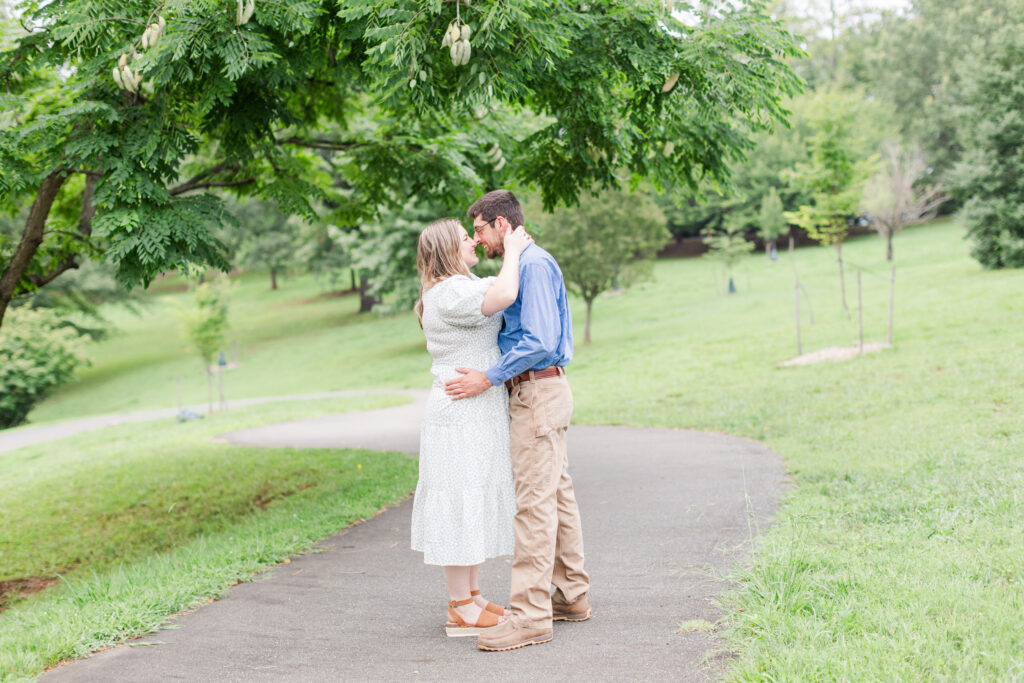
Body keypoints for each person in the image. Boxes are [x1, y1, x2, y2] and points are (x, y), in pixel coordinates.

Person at [445, 190, 591, 652]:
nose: (477, 238)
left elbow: (541, 339)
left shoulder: (533, 265)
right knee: (556, 496)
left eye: (480, 229)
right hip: (539, 392)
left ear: (501, 226)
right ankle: (571, 595)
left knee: (533, 506)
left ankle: (529, 616)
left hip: (537, 391)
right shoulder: (521, 264)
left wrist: (489, 377)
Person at [411, 218, 533, 637]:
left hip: (473, 409)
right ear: (448, 248)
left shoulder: (456, 287)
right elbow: (506, 292)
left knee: (473, 497)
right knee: (461, 499)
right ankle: (460, 605)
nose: (474, 243)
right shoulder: (450, 292)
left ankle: (473, 596)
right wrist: (514, 251)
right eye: (466, 238)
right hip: (460, 413)